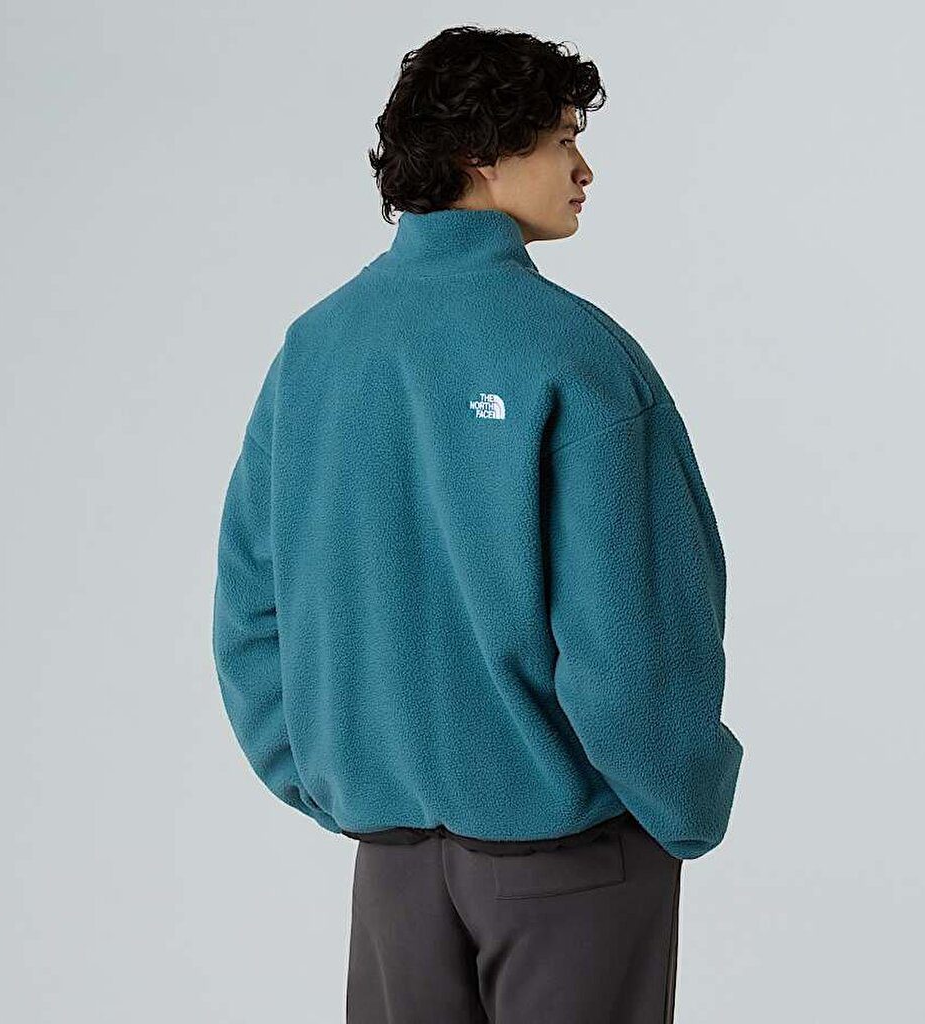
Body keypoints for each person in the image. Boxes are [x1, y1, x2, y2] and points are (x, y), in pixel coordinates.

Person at [212, 24, 743, 1024]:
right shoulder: (573, 355)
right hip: (571, 858)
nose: (583, 169)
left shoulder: (314, 351)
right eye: (561, 140)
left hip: (392, 871)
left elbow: (251, 608)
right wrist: (682, 799)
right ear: (480, 155)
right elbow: (638, 635)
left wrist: (331, 778)